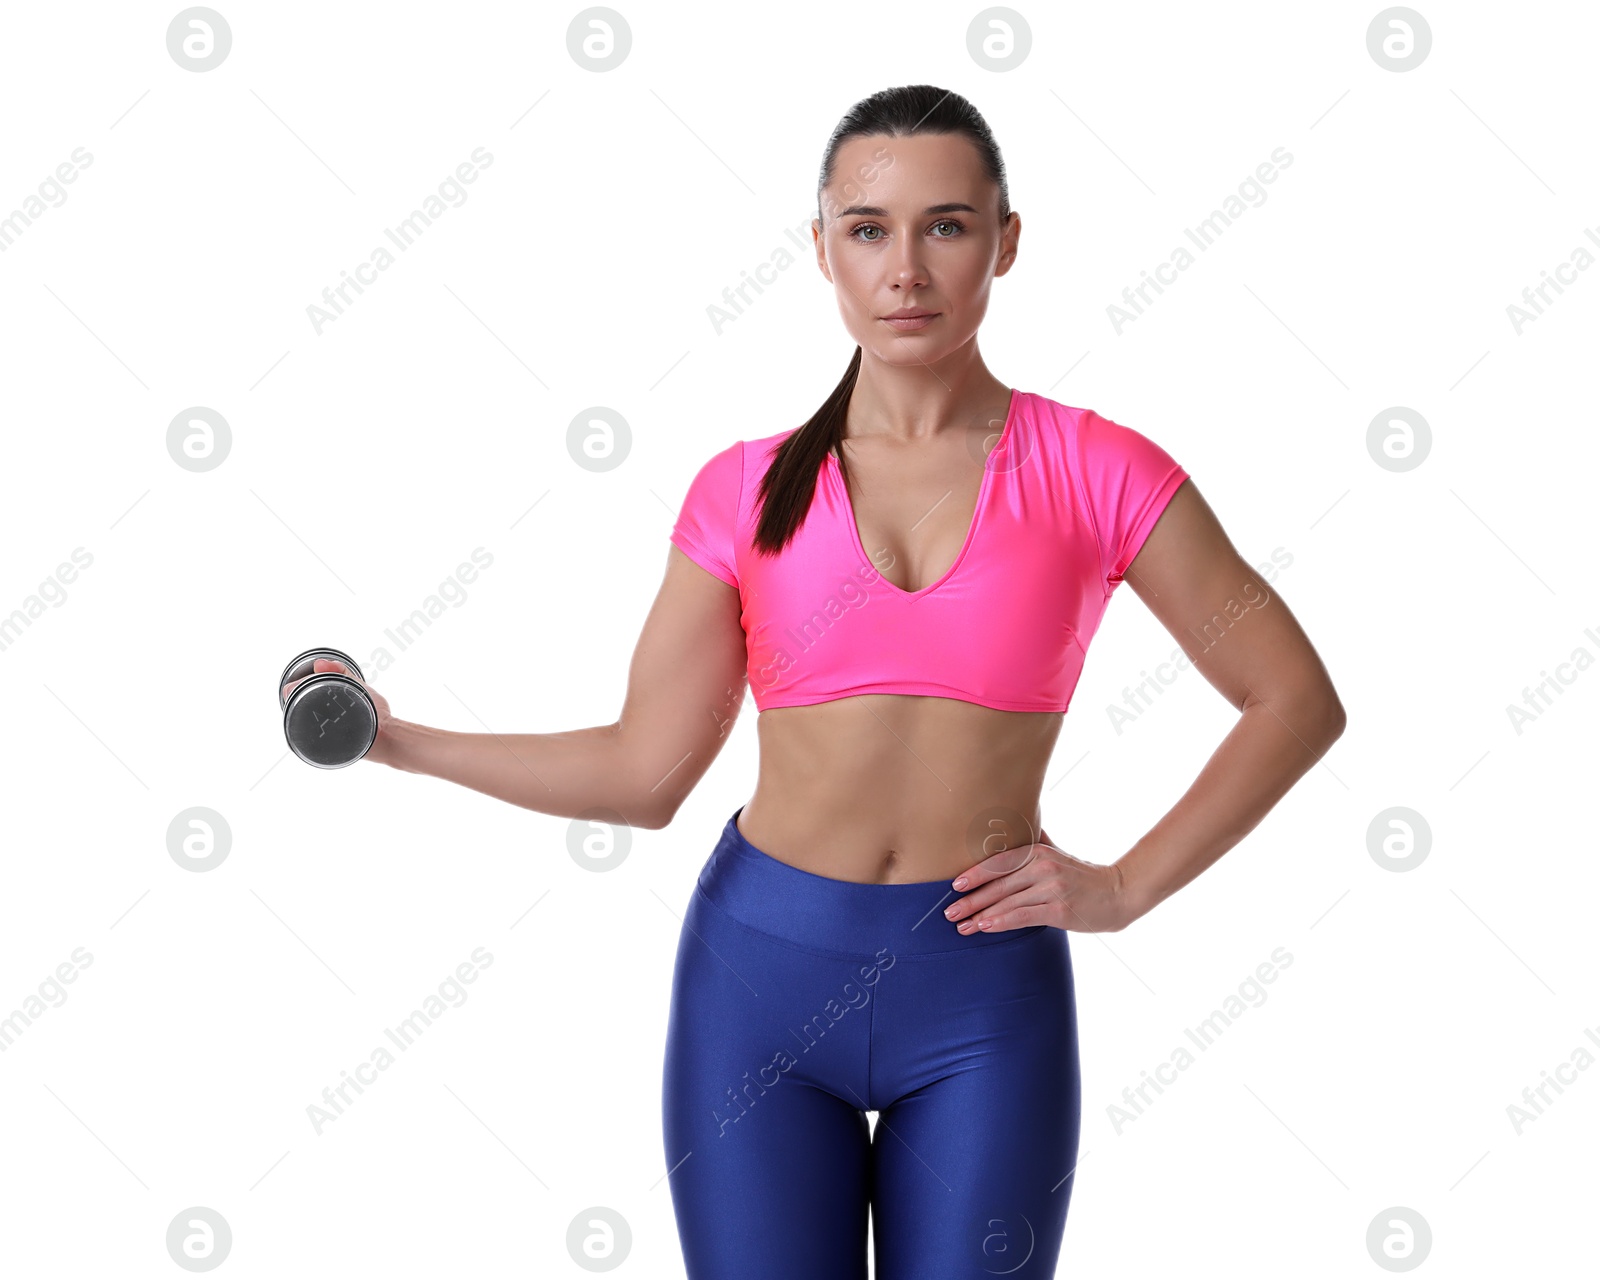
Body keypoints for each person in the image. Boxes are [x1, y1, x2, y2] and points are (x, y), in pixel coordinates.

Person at [283, 84, 1346, 1280]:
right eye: (869, 229)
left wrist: (1124, 887)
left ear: (1005, 241)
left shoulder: (1099, 469)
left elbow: (1292, 698)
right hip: (758, 986)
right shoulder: (743, 489)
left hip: (982, 995)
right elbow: (643, 774)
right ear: (822, 248)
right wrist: (391, 736)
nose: (906, 268)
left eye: (946, 226)